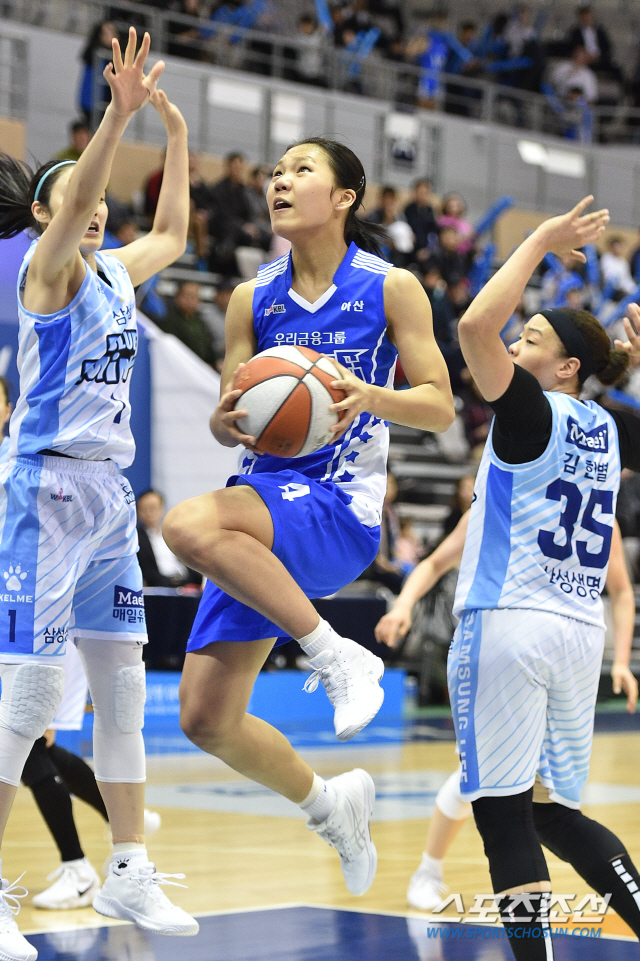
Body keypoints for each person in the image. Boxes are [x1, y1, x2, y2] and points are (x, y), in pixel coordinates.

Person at [162, 136, 454, 900]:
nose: (280, 182)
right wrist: (224, 420)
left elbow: (440, 406)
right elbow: (228, 420)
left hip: (336, 507)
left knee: (186, 525)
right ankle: (332, 806)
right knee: (206, 718)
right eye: (275, 172)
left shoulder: (390, 287)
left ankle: (337, 657)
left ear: (345, 196)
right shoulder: (250, 296)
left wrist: (371, 395)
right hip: (264, 506)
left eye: (300, 170)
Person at [0, 27, 198, 958]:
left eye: (96, 202)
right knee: (30, 694)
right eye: (73, 199)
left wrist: (177, 138)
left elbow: (173, 233)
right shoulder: (47, 272)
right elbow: (80, 193)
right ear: (46, 215)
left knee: (123, 690)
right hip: (45, 490)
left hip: (109, 496)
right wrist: (115, 122)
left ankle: (127, 868)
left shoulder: (118, 269)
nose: (91, 208)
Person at [447, 195, 640, 959]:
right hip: (576, 633)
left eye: (530, 338)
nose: (512, 341)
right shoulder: (609, 425)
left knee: (502, 815)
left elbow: (471, 327)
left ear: (565, 368)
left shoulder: (531, 411)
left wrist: (535, 240)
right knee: (552, 812)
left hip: (509, 620)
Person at [375, 511, 638, 912]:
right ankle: (428, 870)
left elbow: (621, 591)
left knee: (543, 805)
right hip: (506, 649)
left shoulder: (598, 515)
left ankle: (434, 872)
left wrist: (620, 661)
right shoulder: (501, 501)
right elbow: (435, 562)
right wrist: (403, 605)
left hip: (564, 658)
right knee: (484, 783)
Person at [21, 640, 162, 911]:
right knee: (32, 746)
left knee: (28, 745)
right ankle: (124, 818)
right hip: (32, 642)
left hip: (45, 642)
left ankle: (78, 870)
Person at [137, 489, 202, 588]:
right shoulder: (137, 539)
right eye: (144, 509)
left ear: (161, 509)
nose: (149, 513)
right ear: (138, 512)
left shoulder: (174, 534)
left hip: (187, 584)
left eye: (153, 508)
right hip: (160, 586)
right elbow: (148, 573)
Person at [154, 280, 222, 369]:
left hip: (203, 367)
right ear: (177, 297)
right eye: (186, 295)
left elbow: (208, 347)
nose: (189, 300)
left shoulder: (200, 322)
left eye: (193, 297)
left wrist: (214, 362)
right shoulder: (169, 320)